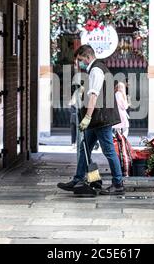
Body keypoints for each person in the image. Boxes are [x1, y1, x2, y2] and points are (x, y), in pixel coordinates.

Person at [57, 44, 125, 195]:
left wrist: (87, 117)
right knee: (84, 149)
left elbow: (94, 96)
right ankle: (78, 179)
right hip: (97, 120)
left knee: (108, 151)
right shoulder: (96, 69)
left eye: (81, 60)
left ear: (88, 57)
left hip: (100, 120)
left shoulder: (96, 70)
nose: (79, 63)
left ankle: (118, 183)